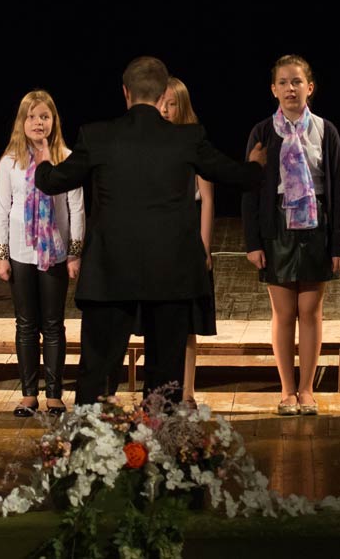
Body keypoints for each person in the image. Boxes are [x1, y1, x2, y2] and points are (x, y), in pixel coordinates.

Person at [36, 56, 266, 406]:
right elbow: (237, 176)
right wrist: (256, 165)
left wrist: (42, 163)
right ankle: (159, 436)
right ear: (161, 97)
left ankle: (89, 437)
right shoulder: (187, 138)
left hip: (110, 272)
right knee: (165, 376)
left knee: (97, 370)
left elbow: (53, 182)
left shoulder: (97, 136)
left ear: (125, 92)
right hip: (170, 272)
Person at [242, 55, 340, 415]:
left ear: (310, 87)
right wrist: (253, 242)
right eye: (284, 82)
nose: (290, 88)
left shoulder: (325, 130)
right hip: (277, 226)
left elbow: (339, 188)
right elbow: (250, 189)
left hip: (315, 226)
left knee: (310, 310)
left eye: (297, 81)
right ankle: (287, 390)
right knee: (284, 311)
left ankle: (306, 389)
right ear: (273, 89)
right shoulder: (262, 132)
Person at [0, 90, 84, 416]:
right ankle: (29, 394)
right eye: (31, 117)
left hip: (55, 253)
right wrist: (1, 254)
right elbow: (1, 209)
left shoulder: (66, 158)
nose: (38, 122)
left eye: (44, 116)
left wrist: (74, 252)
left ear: (53, 121)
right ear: (22, 122)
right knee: (26, 324)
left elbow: (76, 207)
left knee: (53, 324)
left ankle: (54, 394)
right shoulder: (10, 161)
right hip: (21, 251)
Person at [160, 77, 214, 406]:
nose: (166, 110)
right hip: (157, 234)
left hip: (188, 230)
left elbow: (207, 198)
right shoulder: (148, 143)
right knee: (158, 321)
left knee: (187, 322)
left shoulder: (194, 141)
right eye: (161, 104)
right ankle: (160, 392)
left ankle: (188, 392)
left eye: (172, 104)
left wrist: (204, 247)